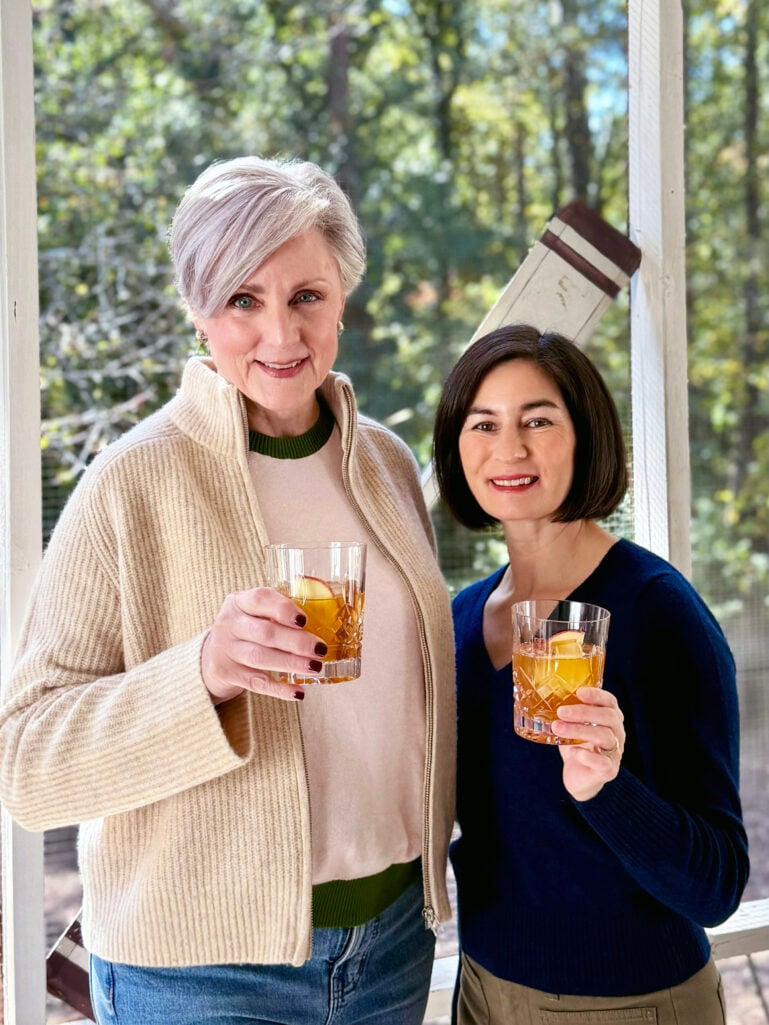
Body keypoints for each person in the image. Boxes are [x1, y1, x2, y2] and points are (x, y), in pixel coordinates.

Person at [0, 155, 456, 1025]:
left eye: (306, 296)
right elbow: (25, 766)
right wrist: (202, 672)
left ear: (343, 297)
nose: (280, 334)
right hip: (201, 976)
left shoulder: (388, 465)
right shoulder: (128, 483)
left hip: (394, 944)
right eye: (242, 300)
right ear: (197, 309)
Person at [432, 324, 749, 1025]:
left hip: (628, 1002)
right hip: (481, 989)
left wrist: (605, 788)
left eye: (536, 419)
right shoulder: (460, 619)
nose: (508, 448)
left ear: (586, 436)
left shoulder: (654, 611)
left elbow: (717, 882)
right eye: (483, 423)